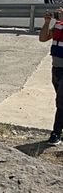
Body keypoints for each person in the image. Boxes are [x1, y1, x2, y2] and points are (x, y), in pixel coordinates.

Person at [39, 8, 63, 145]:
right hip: (56, 69)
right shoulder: (58, 25)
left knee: (61, 102)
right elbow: (43, 38)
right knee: (60, 101)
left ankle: (56, 133)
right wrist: (47, 23)